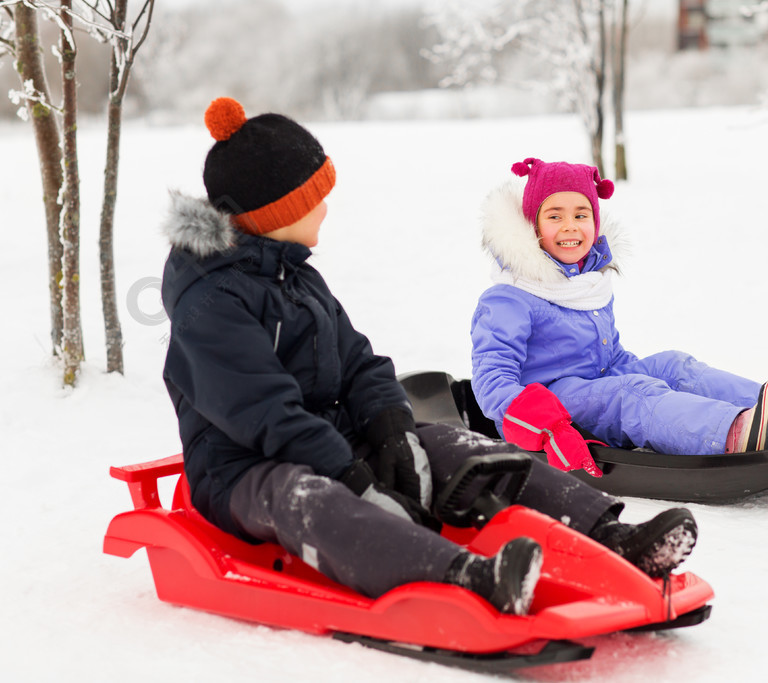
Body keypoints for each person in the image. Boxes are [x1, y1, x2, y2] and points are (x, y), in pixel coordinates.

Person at [160, 99, 699, 618]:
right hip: (245, 469)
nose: (325, 207)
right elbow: (265, 413)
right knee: (313, 500)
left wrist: (394, 430)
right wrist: (351, 473)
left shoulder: (296, 275)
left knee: (451, 443)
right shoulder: (208, 303)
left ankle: (610, 538)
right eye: (312, 197)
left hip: (330, 440)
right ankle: (469, 579)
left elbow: (359, 361)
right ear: (277, 212)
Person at [470, 157, 768, 476]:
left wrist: (650, 373)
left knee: (672, 365)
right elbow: (492, 381)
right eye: (555, 216)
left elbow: (611, 358)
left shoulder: (586, 284)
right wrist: (547, 426)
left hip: (595, 387)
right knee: (632, 393)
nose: (570, 226)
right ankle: (732, 431)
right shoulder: (509, 298)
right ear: (533, 225)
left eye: (581, 214)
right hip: (548, 409)